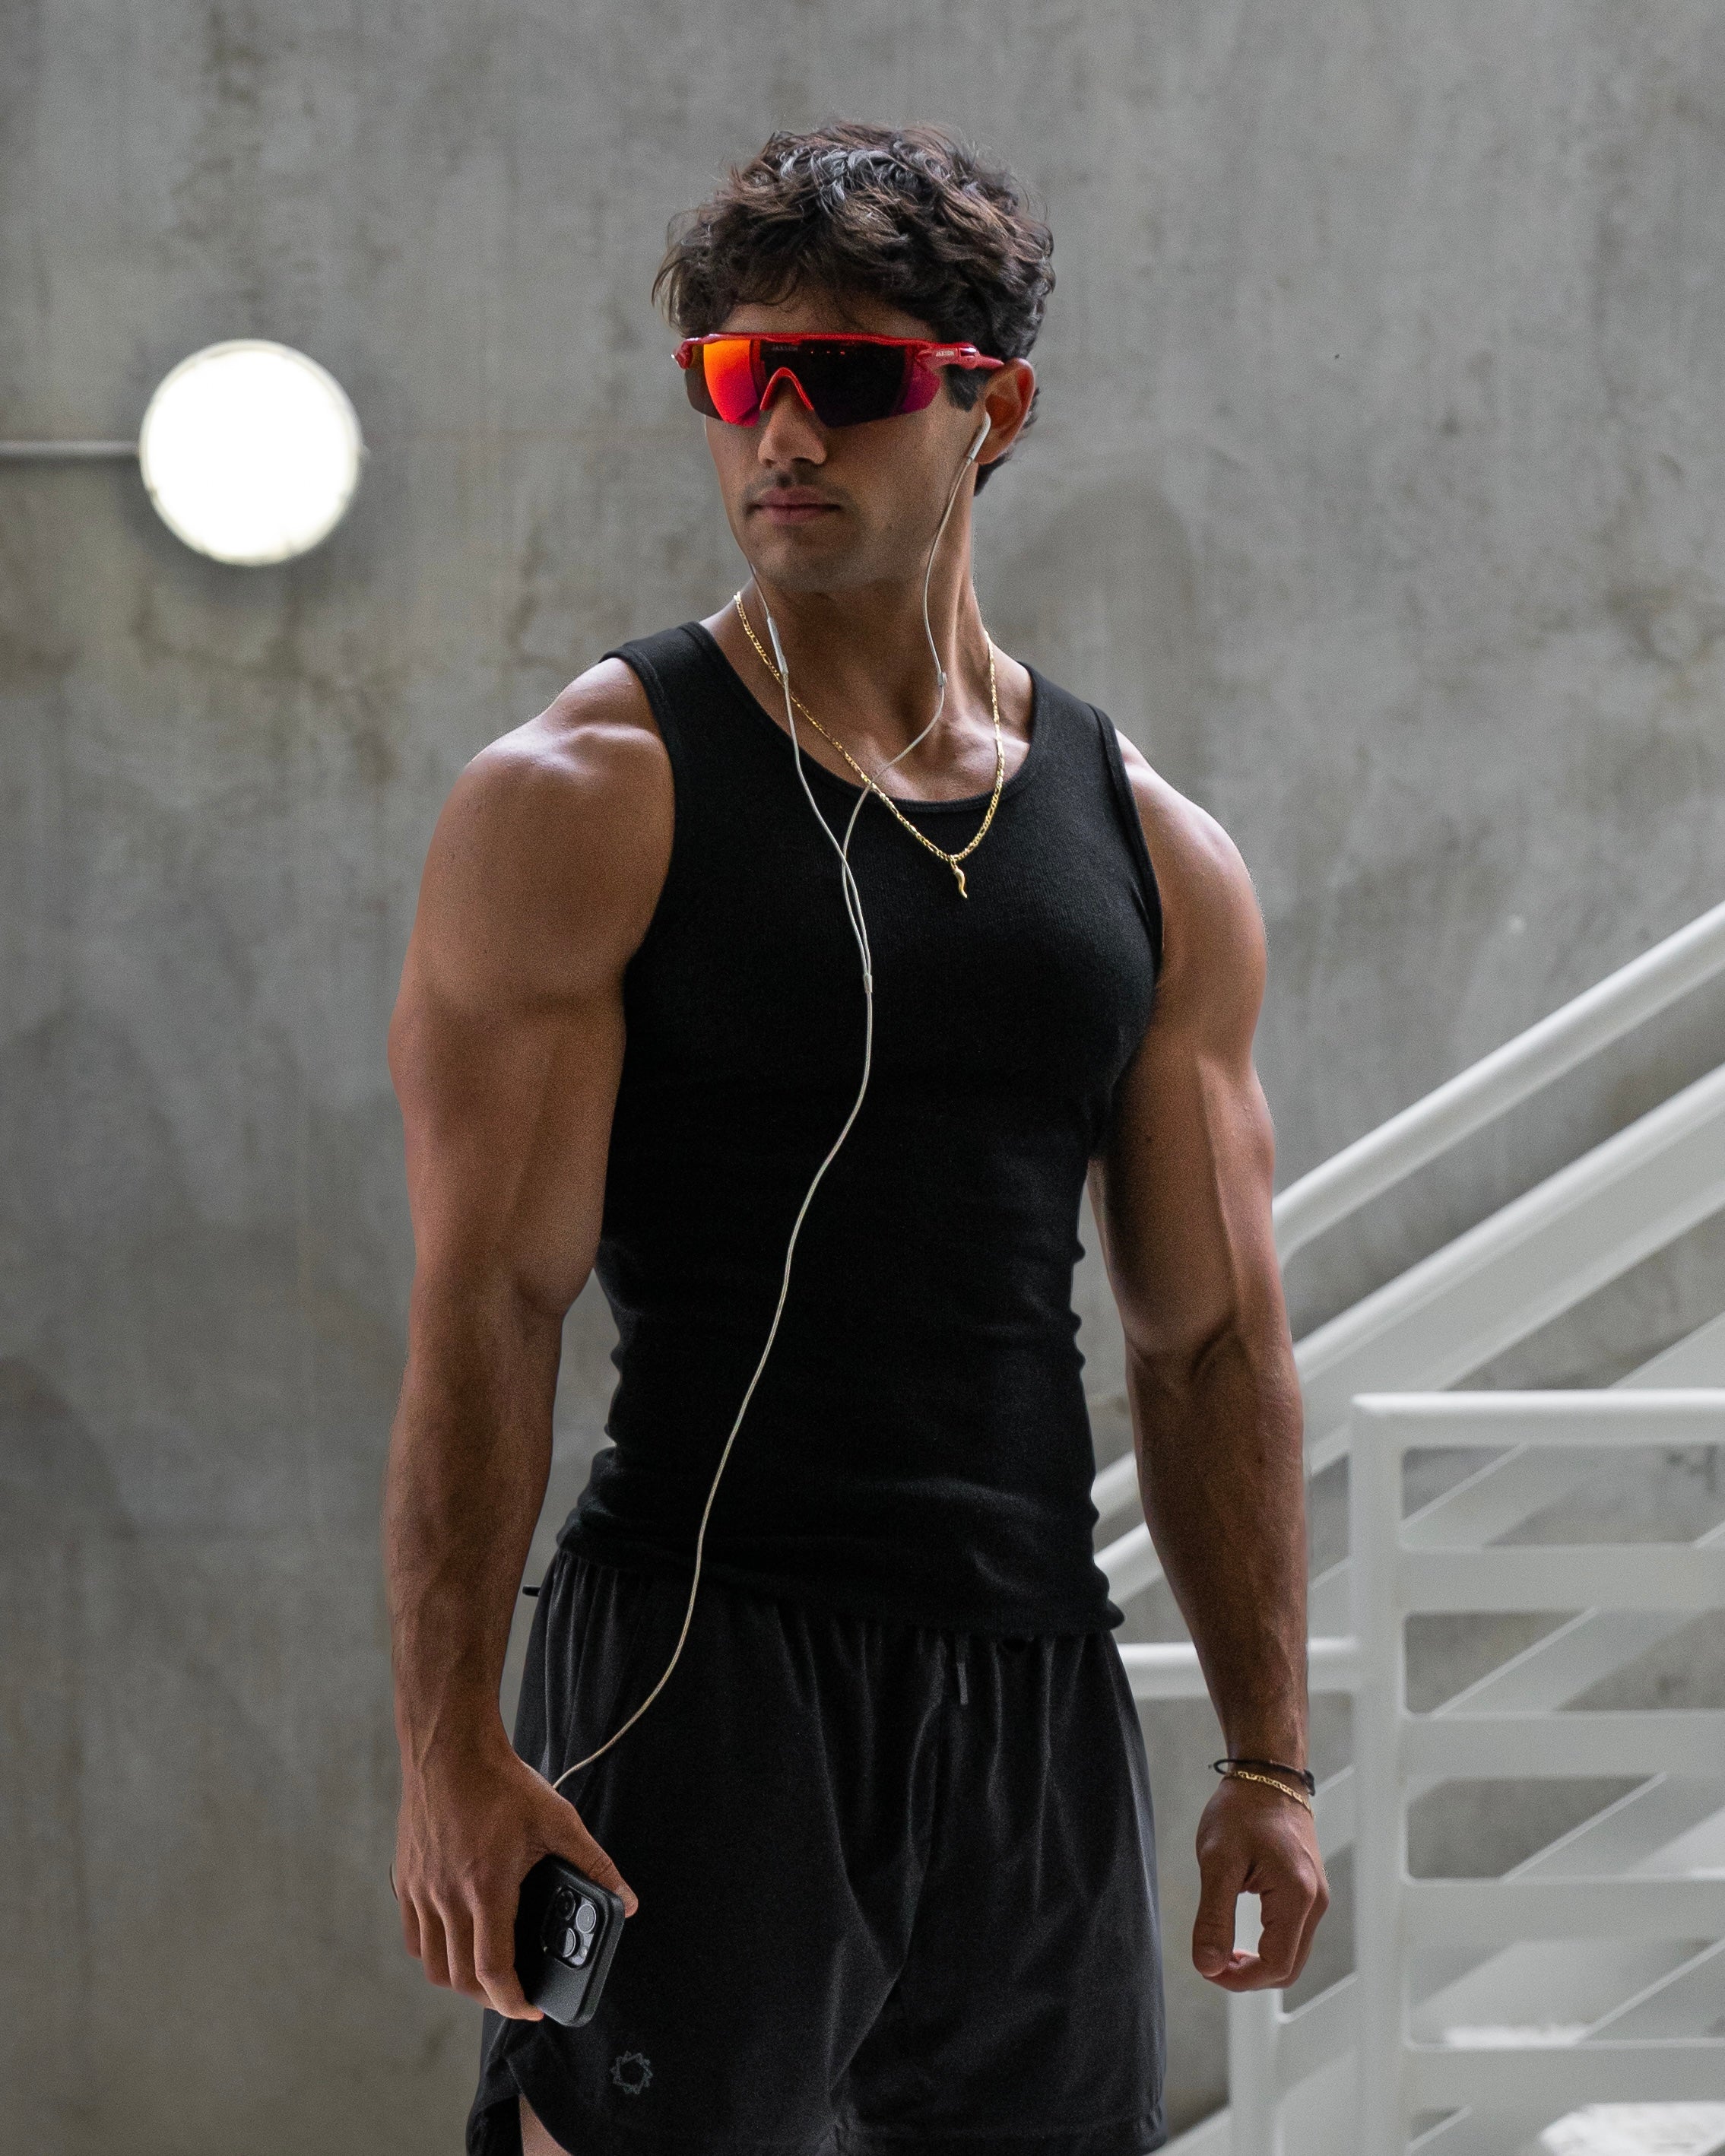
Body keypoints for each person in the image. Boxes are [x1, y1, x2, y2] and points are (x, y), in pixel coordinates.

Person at [383, 121, 1327, 2156]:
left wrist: (1271, 1754)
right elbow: (489, 1300)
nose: (783, 432)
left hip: (1029, 1674)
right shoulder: (585, 795)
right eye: (740, 378)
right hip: (703, 1662)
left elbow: (1207, 1340)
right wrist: (448, 1739)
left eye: (850, 378)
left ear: (995, 409)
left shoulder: (1150, 846)